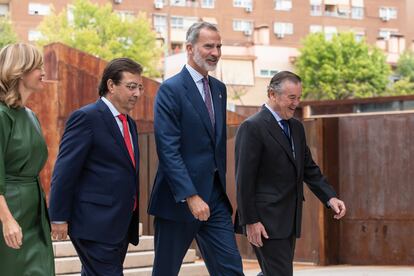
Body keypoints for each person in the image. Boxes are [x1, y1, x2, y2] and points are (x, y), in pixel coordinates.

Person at [148, 22, 244, 276]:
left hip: (215, 199)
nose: (215, 52)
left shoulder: (219, 90)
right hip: (178, 200)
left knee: (231, 269)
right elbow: (168, 149)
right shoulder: (171, 89)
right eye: (208, 46)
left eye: (219, 46)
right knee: (165, 272)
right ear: (190, 48)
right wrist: (190, 195)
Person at [235, 71, 346, 276]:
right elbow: (244, 180)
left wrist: (330, 197)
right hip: (264, 221)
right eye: (291, 97)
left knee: (274, 273)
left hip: (289, 218)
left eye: (299, 97)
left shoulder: (296, 127)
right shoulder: (252, 127)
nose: (296, 103)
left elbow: (308, 168)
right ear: (272, 94)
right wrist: (250, 221)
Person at [48, 58, 143, 276]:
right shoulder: (86, 118)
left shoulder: (129, 123)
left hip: (120, 224)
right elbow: (64, 171)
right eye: (131, 87)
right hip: (94, 224)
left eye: (139, 87)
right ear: (111, 85)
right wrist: (58, 217)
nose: (137, 93)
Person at [0, 43, 55, 275]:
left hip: (34, 211)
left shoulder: (31, 115)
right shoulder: (2, 115)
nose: (44, 72)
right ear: (19, 71)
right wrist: (7, 220)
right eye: (37, 67)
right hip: (9, 211)